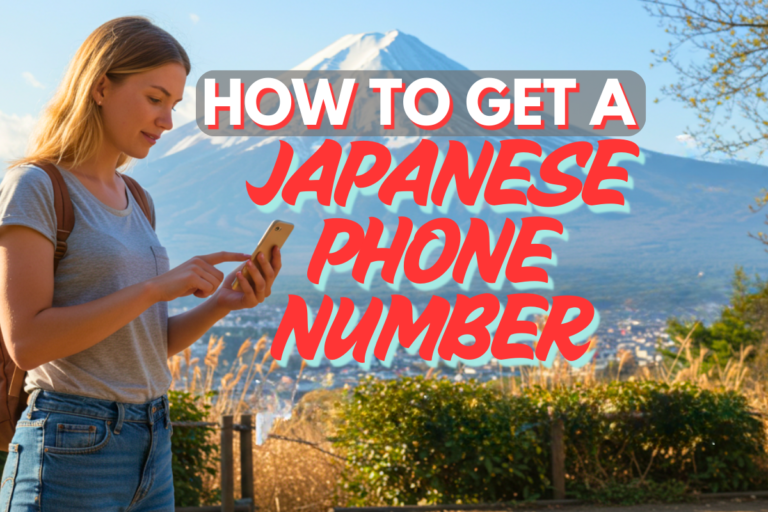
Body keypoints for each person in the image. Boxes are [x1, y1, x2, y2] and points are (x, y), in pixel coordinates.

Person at [0, 16, 280, 511]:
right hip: (72, 445)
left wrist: (221, 303)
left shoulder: (138, 198)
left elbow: (143, 344)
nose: (168, 121)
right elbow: (26, 343)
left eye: (173, 105)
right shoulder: (36, 187)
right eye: (155, 99)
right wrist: (155, 288)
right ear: (102, 86)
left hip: (153, 440)